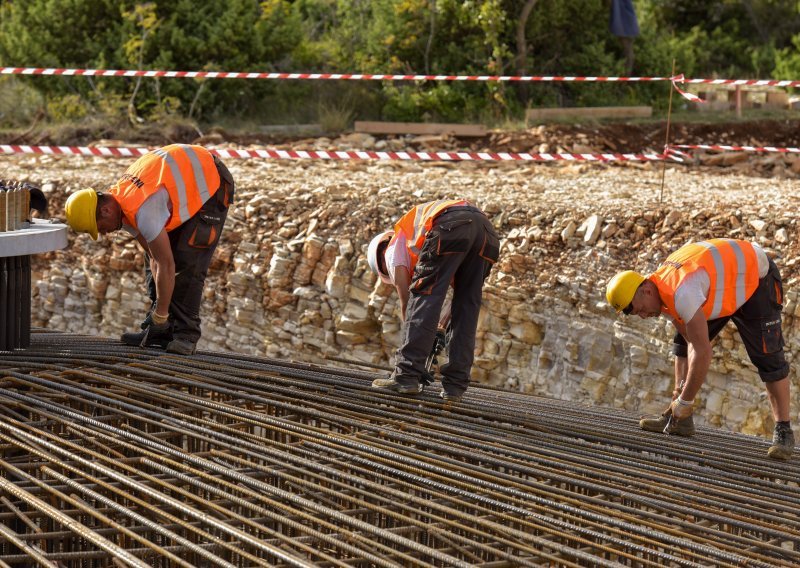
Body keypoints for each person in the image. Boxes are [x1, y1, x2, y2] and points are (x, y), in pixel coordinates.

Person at [606, 238, 793, 460]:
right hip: (724, 284)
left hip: (755, 280)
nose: (644, 316)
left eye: (641, 310)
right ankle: (679, 417)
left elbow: (703, 351)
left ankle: (784, 431)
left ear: (646, 290)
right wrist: (681, 399)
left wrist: (686, 401)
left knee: (768, 357)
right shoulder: (660, 288)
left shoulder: (682, 292)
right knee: (683, 343)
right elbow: (689, 340)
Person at [64, 144, 234, 355]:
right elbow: (155, 258)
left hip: (211, 182)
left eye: (99, 228)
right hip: (181, 180)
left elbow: (167, 264)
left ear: (106, 211)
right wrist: (159, 314)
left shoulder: (143, 210)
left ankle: (185, 336)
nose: (104, 233)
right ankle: (162, 331)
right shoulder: (121, 205)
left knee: (185, 262)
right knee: (153, 259)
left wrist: (161, 313)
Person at [367, 199, 499, 402]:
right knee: (467, 305)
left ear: (381, 258)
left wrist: (418, 349)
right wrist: (437, 329)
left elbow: (410, 302)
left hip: (451, 227)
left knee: (424, 293)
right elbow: (455, 303)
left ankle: (407, 376)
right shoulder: (418, 245)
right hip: (485, 234)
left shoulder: (393, 250)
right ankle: (455, 386)